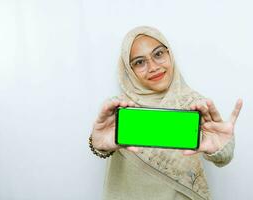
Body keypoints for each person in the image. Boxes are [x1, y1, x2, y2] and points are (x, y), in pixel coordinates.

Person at [89, 26, 243, 200]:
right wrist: (98, 145)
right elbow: (102, 145)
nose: (153, 67)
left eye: (158, 54)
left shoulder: (196, 105)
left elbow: (222, 157)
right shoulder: (118, 109)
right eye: (139, 62)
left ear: (169, 54)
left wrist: (222, 150)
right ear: (128, 69)